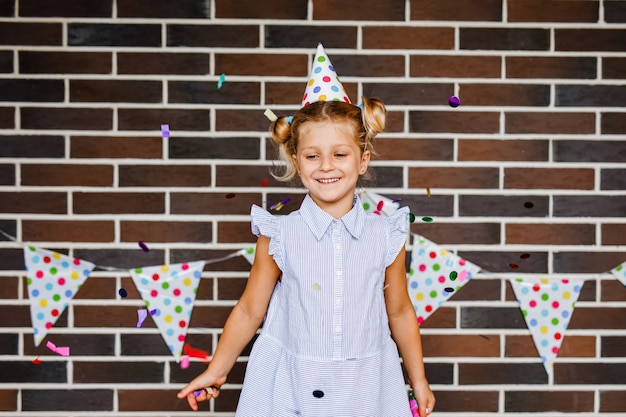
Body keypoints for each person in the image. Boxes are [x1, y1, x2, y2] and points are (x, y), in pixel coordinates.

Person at [177, 44, 435, 417]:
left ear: (362, 160)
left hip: (366, 386)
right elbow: (250, 310)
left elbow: (399, 312)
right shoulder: (279, 234)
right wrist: (216, 371)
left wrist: (419, 380)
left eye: (340, 154)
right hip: (292, 385)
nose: (326, 166)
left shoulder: (385, 234)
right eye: (313, 155)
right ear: (297, 162)